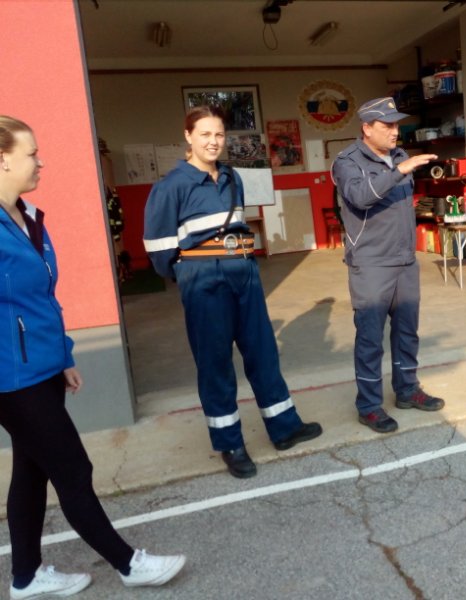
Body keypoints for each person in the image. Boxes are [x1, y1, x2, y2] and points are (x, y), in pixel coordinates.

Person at [0, 115, 185, 598]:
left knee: (31, 470)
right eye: (31, 153)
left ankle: (26, 577)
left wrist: (63, 355)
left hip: (41, 366)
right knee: (73, 470)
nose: (40, 161)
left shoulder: (28, 217)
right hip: (10, 378)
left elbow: (41, 298)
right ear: (2, 160)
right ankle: (127, 563)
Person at [143, 105, 322, 478]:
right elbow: (159, 252)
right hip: (204, 280)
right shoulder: (171, 186)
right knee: (215, 363)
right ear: (188, 136)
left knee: (263, 353)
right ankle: (230, 444)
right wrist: (191, 275)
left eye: (219, 134)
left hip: (245, 273)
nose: (213, 141)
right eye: (205, 134)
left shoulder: (231, 177)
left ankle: (284, 427)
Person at [331, 97, 445, 434]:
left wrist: (400, 167)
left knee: (407, 331)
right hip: (371, 263)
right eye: (387, 125)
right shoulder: (347, 162)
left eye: (396, 125)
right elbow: (360, 197)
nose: (395, 131)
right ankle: (369, 406)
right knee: (370, 337)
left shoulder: (398, 156)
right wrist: (400, 171)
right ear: (367, 128)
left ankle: (407, 390)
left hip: (404, 260)